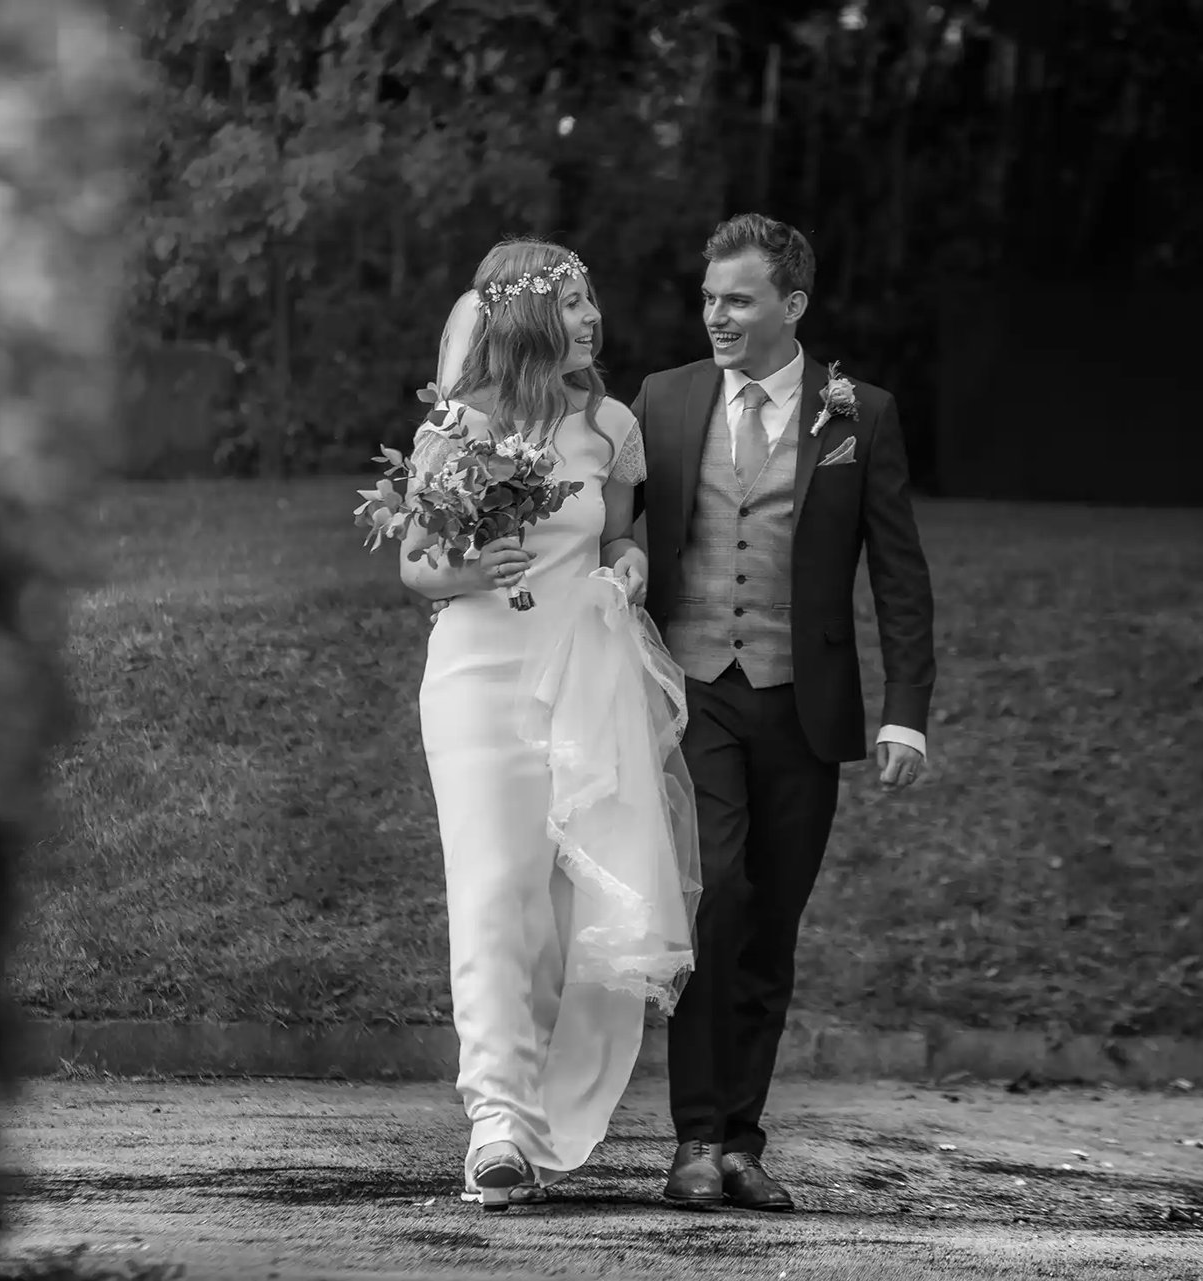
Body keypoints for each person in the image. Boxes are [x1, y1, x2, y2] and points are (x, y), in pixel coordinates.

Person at [626, 212, 936, 1211]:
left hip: (804, 704)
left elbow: (899, 573)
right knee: (716, 893)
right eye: (709, 298)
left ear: (790, 306)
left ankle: (743, 1144)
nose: (715, 315)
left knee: (772, 925)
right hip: (693, 691)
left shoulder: (860, 415)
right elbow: (613, 522)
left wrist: (907, 712)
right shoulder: (664, 401)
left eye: (738, 299)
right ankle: (693, 1140)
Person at [401, 238, 701, 1210]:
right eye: (571, 304)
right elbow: (415, 562)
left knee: (570, 912)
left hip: (580, 677)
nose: (590, 319)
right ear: (528, 317)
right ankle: (492, 1123)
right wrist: (464, 571)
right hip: (477, 679)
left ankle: (541, 1116)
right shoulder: (461, 425)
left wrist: (629, 564)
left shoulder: (611, 424)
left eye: (591, 301)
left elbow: (619, 529)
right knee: (495, 892)